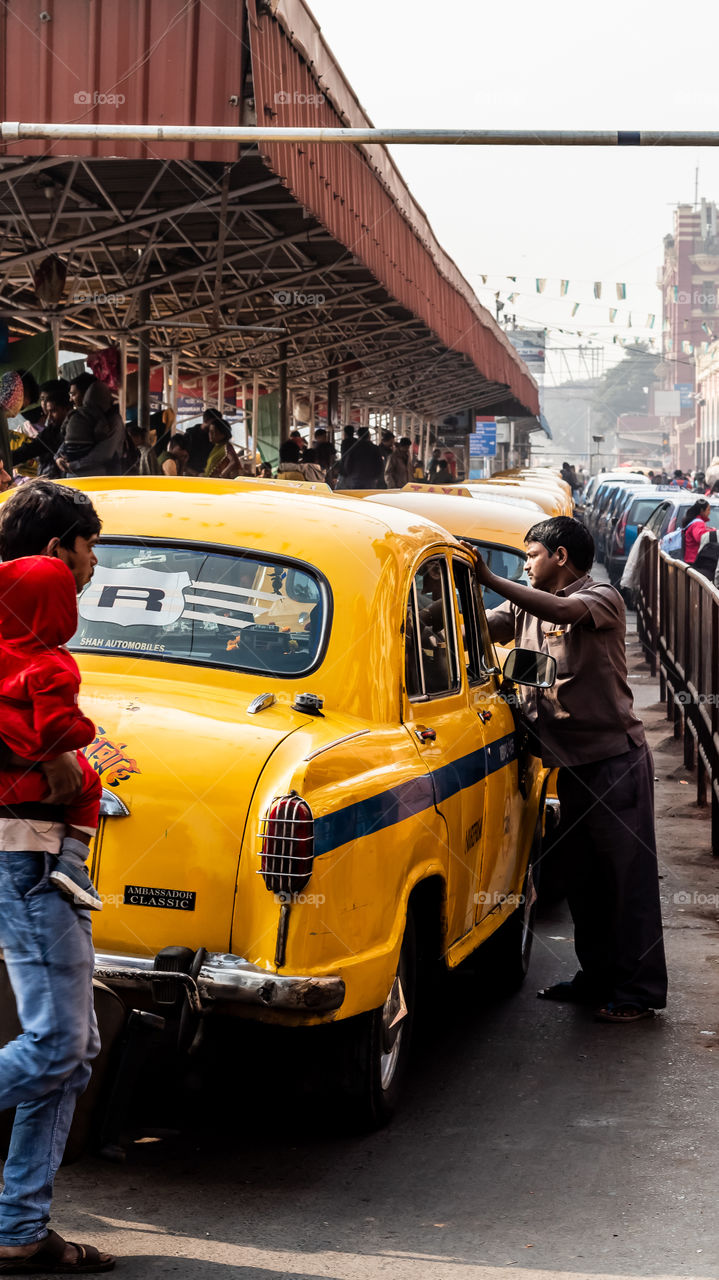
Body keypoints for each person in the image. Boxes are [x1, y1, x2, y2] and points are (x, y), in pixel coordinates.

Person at [474, 515, 667, 1022]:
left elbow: (561, 609)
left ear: (560, 557)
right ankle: (596, 977)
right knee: (583, 879)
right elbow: (488, 623)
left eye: (532, 555)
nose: (526, 564)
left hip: (613, 763)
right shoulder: (528, 606)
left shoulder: (601, 596)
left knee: (626, 882)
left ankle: (637, 992)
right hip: (569, 764)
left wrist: (493, 579)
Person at [0, 480, 115, 1272]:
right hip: (31, 857)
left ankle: (20, 1229)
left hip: (46, 858)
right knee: (54, 1046)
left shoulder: (24, 639)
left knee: (71, 1049)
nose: (93, 565)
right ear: (56, 552)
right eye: (87, 548)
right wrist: (54, 757)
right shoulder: (29, 648)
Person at [0, 556, 102, 909]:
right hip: (33, 771)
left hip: (6, 766)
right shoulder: (53, 666)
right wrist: (85, 730)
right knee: (90, 787)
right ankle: (73, 865)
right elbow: (53, 731)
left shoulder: (3, 651)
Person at [56, 377, 125, 477]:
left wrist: (74, 465)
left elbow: (104, 453)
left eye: (73, 394)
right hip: (74, 476)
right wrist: (58, 457)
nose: (71, 399)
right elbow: (67, 442)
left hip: (102, 478)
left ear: (87, 394)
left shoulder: (113, 420)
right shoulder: (79, 417)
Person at [10, 382, 71, 479]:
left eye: (53, 411)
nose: (49, 416)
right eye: (42, 399)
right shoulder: (51, 430)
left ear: (67, 408)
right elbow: (28, 450)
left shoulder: (79, 429)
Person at [682, 499, 714, 565]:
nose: (709, 512)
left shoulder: (694, 521)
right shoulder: (698, 523)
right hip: (694, 560)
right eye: (708, 510)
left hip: (689, 559)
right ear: (702, 511)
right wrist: (713, 531)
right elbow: (700, 537)